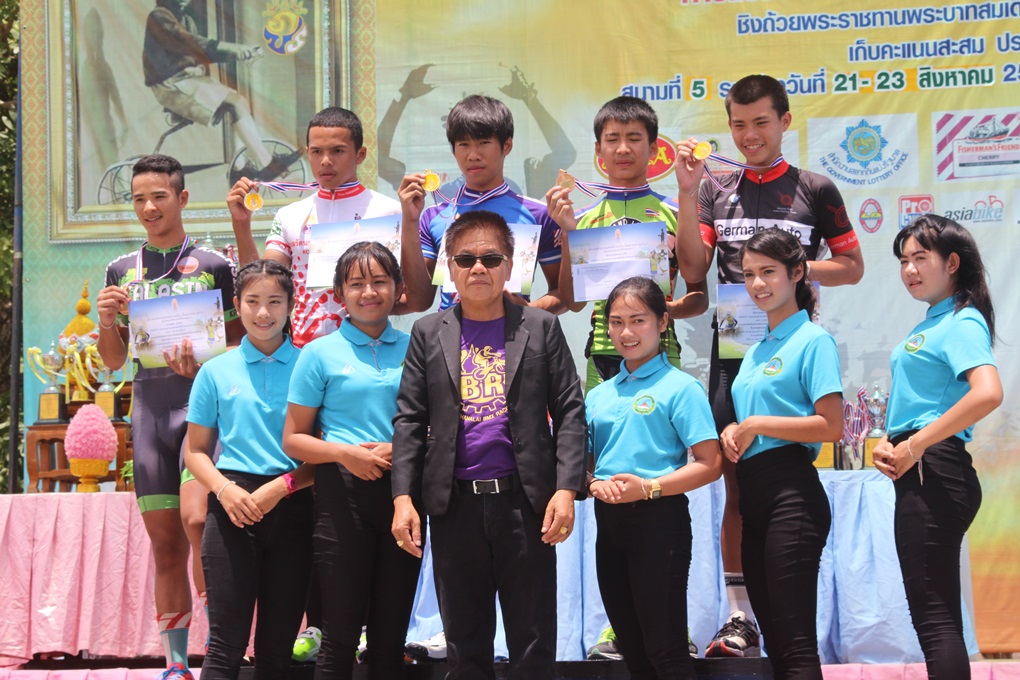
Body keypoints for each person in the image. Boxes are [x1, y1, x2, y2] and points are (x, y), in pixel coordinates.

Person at [673, 74, 864, 656]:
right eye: (738, 125)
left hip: (790, 343)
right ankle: (739, 616)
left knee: (785, 466)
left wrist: (788, 268)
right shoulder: (716, 187)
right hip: (736, 347)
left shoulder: (815, 187)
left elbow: (852, 266)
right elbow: (693, 269)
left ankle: (785, 612)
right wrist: (687, 192)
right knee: (734, 481)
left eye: (761, 122)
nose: (749, 135)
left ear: (785, 121)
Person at [390, 210, 586, 680]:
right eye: (465, 259)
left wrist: (565, 490)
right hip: (453, 506)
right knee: (464, 646)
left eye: (491, 258)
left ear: (510, 266)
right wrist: (402, 498)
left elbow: (570, 410)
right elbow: (410, 419)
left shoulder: (540, 326)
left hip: (526, 504)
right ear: (449, 267)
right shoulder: (427, 332)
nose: (478, 268)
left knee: (533, 642)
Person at [96, 154, 242, 680]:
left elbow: (241, 344)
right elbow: (113, 361)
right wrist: (106, 321)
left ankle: (224, 648)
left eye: (159, 196)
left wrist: (203, 365)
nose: (149, 207)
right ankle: (176, 664)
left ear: (182, 198)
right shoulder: (120, 271)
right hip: (151, 413)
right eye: (139, 199)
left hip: (203, 409)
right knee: (165, 545)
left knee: (201, 524)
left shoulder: (214, 265)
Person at [283, 242, 420, 680]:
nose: (369, 292)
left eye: (380, 281)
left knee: (390, 637)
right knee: (339, 635)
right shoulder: (318, 352)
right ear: (339, 293)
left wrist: (400, 448)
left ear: (398, 287)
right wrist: (344, 453)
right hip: (341, 498)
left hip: (404, 496)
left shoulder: (418, 347)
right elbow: (294, 439)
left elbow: (439, 424)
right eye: (357, 284)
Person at [874, 215, 1002, 680]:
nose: (909, 269)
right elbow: (923, 403)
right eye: (903, 260)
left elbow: (988, 393)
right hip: (924, 469)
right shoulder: (934, 321)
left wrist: (915, 445)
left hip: (935, 470)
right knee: (935, 616)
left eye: (920, 258)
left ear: (952, 263)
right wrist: (889, 441)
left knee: (936, 620)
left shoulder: (962, 319)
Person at [719, 228, 844, 679]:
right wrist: (733, 427)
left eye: (768, 272)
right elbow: (752, 417)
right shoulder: (754, 350)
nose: (757, 284)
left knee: (796, 645)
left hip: (792, 496)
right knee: (776, 646)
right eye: (749, 274)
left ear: (797, 273)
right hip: (754, 501)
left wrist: (757, 424)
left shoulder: (813, 340)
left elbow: (832, 425)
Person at [184, 260, 315, 680]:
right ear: (236, 304)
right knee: (226, 645)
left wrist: (282, 487)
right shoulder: (214, 371)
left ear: (291, 305)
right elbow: (196, 451)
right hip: (232, 509)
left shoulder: (312, 366)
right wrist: (224, 490)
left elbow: (322, 453)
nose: (263, 313)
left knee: (277, 650)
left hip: (295, 505)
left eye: (275, 301)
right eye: (253, 301)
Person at [585, 276, 722, 679]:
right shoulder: (599, 394)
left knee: (666, 651)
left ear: (663, 323)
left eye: (638, 320)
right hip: (609, 526)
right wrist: (592, 483)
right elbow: (584, 462)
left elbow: (710, 463)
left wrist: (648, 488)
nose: (626, 333)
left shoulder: (681, 387)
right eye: (616, 322)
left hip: (660, 522)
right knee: (633, 651)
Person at [546, 95, 708, 394]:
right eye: (612, 139)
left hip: (661, 349)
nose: (623, 148)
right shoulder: (580, 219)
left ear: (654, 149)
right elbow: (574, 303)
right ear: (598, 149)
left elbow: (699, 293)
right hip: (603, 355)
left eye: (634, 138)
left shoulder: (675, 212)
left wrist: (663, 310)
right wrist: (568, 233)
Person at [229, 106, 402, 348]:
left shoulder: (389, 211)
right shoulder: (290, 215)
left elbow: (408, 297)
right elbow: (264, 284)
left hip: (369, 350)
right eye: (317, 151)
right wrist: (241, 223)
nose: (326, 161)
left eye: (337, 151)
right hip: (303, 352)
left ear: (360, 154)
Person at [398, 94, 565, 315]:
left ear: (507, 145)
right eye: (463, 144)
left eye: (483, 143)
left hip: (514, 333)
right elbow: (419, 300)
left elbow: (564, 294)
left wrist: (527, 311)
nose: (473, 155)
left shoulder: (539, 214)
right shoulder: (434, 216)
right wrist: (409, 221)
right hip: (448, 334)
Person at [142, 0, 291, 182]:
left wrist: (238, 53)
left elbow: (200, 51)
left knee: (238, 102)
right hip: (171, 84)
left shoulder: (184, 19)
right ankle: (266, 164)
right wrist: (231, 48)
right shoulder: (159, 16)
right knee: (235, 103)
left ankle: (239, 167)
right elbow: (185, 41)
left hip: (186, 79)